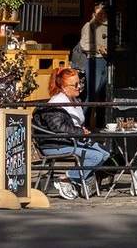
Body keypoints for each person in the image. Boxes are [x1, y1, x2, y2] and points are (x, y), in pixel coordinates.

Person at [33, 67, 111, 200]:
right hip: (56, 144)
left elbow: (72, 124)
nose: (79, 87)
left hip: (73, 140)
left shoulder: (74, 100)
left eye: (80, 83)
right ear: (63, 87)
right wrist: (80, 132)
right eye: (75, 84)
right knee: (95, 156)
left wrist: (82, 131)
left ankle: (76, 180)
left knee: (105, 152)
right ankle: (66, 179)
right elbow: (59, 128)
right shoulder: (56, 104)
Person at [69, 3, 110, 125]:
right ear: (94, 14)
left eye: (103, 14)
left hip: (107, 62)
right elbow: (84, 44)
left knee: (104, 95)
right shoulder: (89, 26)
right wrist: (99, 48)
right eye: (98, 14)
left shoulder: (110, 26)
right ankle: (83, 123)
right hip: (94, 61)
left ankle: (100, 125)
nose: (101, 16)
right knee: (92, 93)